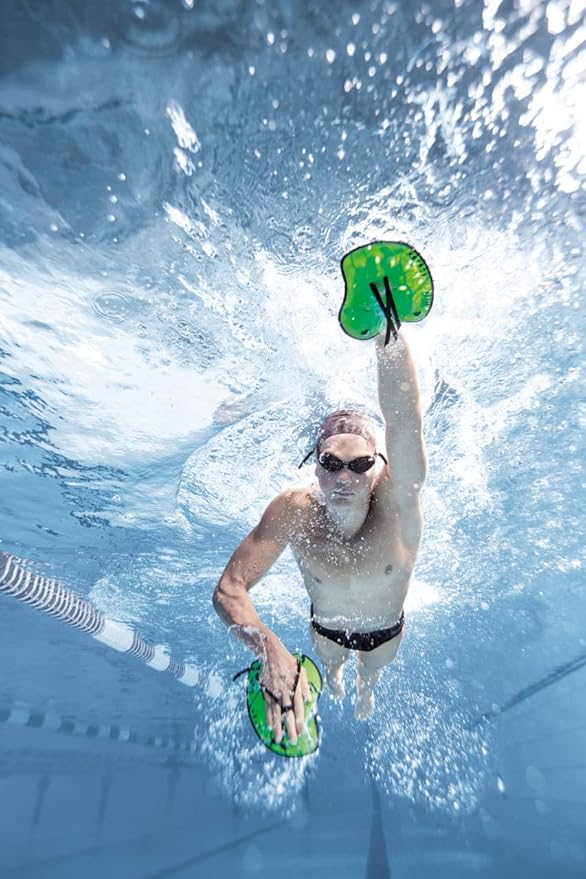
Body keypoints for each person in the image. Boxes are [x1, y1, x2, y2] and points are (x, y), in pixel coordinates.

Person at [213, 331, 426, 745]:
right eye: (331, 463)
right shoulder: (293, 510)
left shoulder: (397, 502)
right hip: (325, 630)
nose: (344, 477)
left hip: (384, 632)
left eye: (359, 465)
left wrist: (387, 335)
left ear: (377, 466)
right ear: (314, 465)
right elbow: (228, 589)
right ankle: (336, 677)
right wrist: (270, 649)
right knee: (331, 669)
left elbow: (405, 421)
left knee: (371, 672)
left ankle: (366, 690)